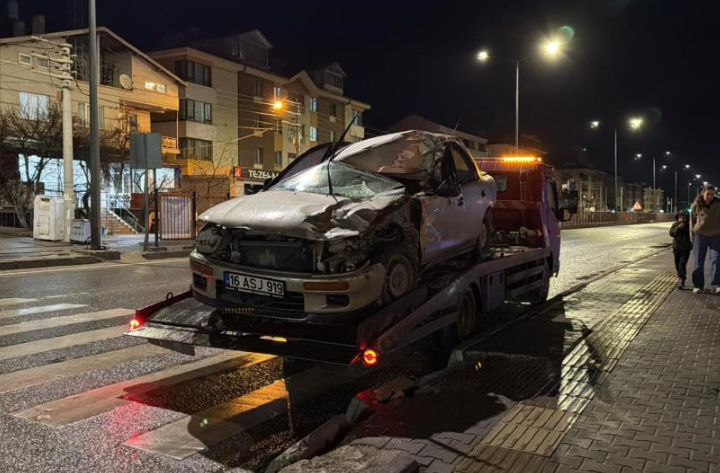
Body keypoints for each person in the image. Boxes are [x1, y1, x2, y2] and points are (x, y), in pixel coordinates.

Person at [689, 185, 720, 293]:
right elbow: (692, 221)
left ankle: (716, 284)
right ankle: (698, 285)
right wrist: (692, 236)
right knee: (698, 261)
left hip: (716, 236)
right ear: (703, 193)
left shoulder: (718, 204)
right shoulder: (696, 204)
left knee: (716, 260)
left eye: (712, 194)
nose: (710, 196)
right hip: (700, 236)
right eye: (708, 194)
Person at [669, 211, 692, 288]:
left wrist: (690, 245)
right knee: (677, 264)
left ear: (686, 218)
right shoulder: (675, 225)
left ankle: (682, 280)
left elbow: (693, 235)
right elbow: (671, 233)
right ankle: (680, 276)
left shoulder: (689, 226)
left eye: (683, 218)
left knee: (682, 264)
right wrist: (678, 228)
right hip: (677, 249)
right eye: (680, 218)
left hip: (685, 249)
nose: (681, 219)